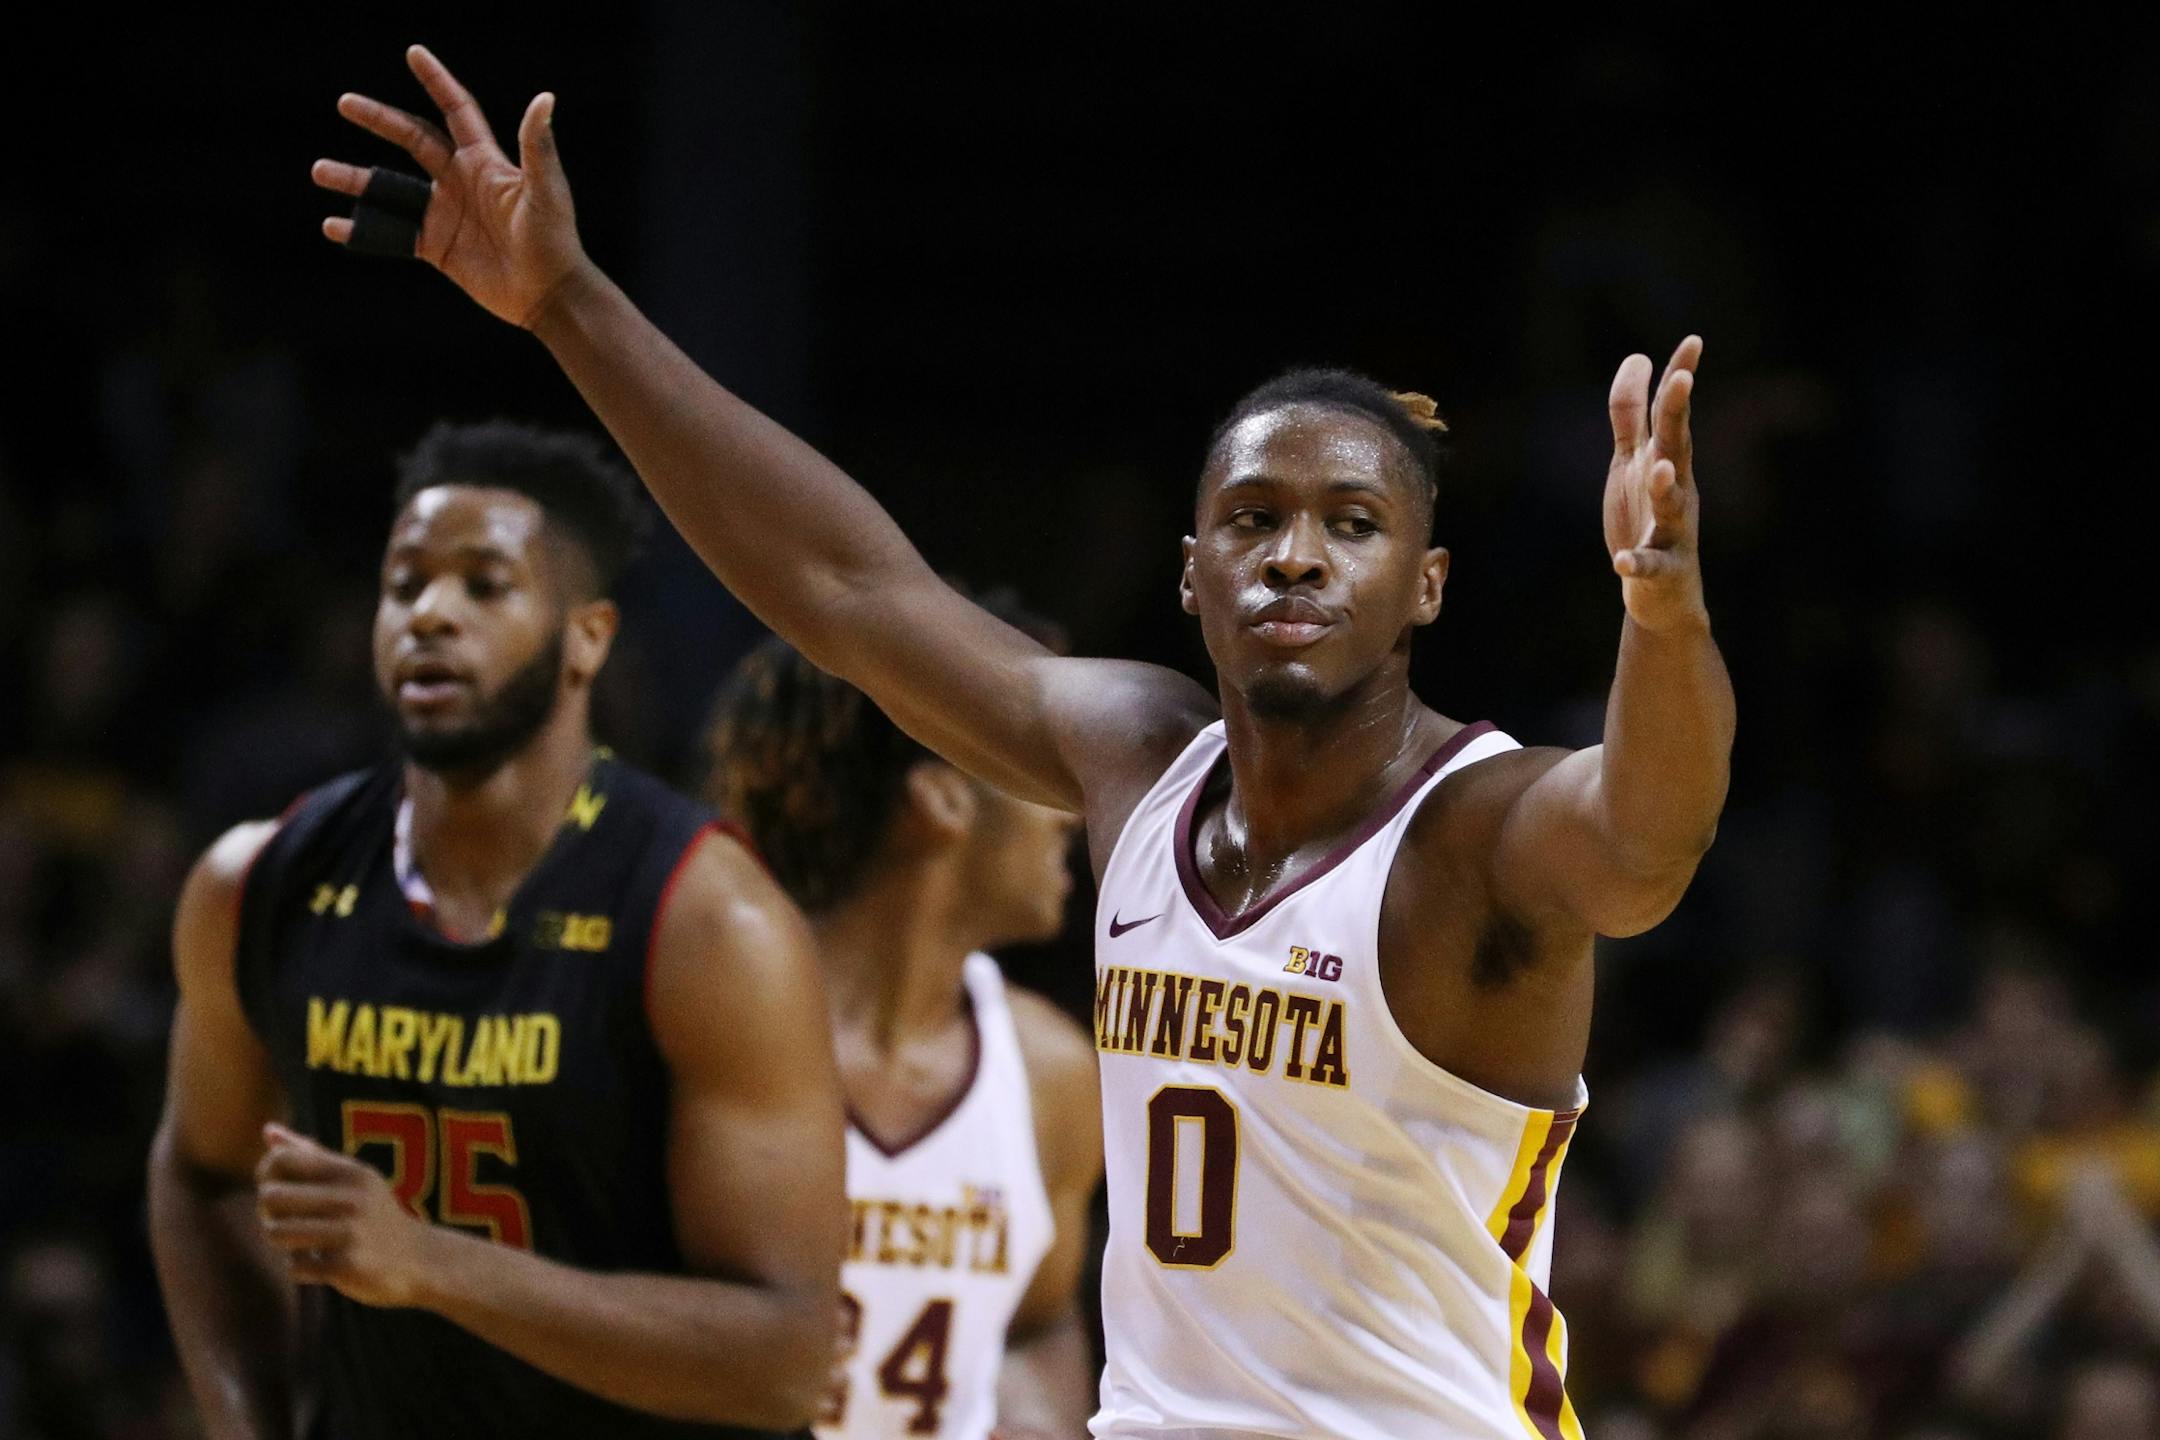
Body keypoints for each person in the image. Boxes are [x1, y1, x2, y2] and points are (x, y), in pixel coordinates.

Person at [313, 48, 1735, 1439]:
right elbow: (846, 590)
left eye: (1352, 527)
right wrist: (566, 302)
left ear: (1424, 585)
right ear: (1192, 573)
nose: (1297, 558)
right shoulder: (1139, 757)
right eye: (1254, 520)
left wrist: (1661, 619)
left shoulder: (1472, 829)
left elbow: (1645, 838)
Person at [147, 420, 848, 1439]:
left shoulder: (709, 921)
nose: (430, 615)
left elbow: (784, 1362)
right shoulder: (258, 880)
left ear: (587, 639)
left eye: (484, 585)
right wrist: (252, 1420)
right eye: (403, 584)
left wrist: (432, 1264)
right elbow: (196, 1173)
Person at [701, 622, 1104, 1440]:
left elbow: (1036, 1324)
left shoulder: (1052, 1070)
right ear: (943, 796)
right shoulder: (712, 1023)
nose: (1076, 798)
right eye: (1036, 759)